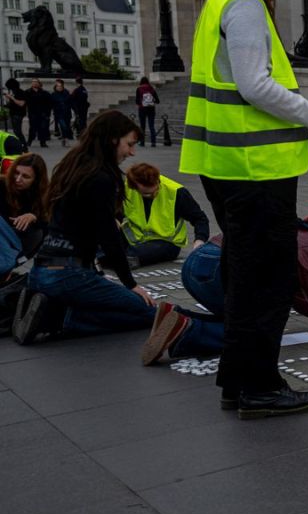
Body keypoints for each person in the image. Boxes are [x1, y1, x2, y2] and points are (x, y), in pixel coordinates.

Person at [179, 0, 308, 418]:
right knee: (268, 281)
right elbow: (257, 86)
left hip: (226, 164)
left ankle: (239, 379)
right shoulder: (247, 5)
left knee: (243, 274)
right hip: (256, 170)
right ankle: (259, 386)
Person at [147, 214, 308, 387]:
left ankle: (178, 318)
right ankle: (189, 330)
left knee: (241, 319)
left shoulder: (296, 234)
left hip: (198, 264)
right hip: (216, 266)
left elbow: (301, 298)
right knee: (257, 333)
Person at [12, 111, 158, 344]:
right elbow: (109, 237)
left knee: (112, 302)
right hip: (70, 275)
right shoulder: (101, 178)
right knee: (149, 311)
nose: (132, 152)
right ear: (112, 139)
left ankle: (52, 307)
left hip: (41, 271)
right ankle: (57, 318)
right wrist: (131, 284)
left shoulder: (73, 166)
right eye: (129, 144)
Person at [122, 163, 210, 268]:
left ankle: (120, 257)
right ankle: (117, 256)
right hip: (135, 239)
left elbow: (200, 219)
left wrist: (199, 242)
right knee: (104, 243)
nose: (151, 195)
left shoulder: (176, 192)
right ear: (134, 187)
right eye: (145, 193)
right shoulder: (126, 188)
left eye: (154, 190)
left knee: (129, 254)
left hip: (166, 243)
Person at [0, 153, 49, 274]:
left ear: (36, 180)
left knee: (38, 232)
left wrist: (34, 217)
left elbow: (52, 225)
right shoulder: (2, 184)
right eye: (16, 173)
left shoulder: (43, 196)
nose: (18, 179)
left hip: (16, 242)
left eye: (25, 177)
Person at [24, 78, 52, 149]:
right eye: (33, 82)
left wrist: (47, 113)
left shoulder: (44, 93)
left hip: (42, 113)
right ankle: (29, 141)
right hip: (32, 113)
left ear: (39, 84)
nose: (34, 83)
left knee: (42, 128)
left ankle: (43, 142)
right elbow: (24, 102)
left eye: (36, 82)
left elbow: (49, 103)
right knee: (32, 128)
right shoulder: (28, 92)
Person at [135, 76, 161, 147]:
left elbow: (137, 101)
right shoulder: (151, 88)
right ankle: (153, 142)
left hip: (142, 109)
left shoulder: (139, 89)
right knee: (151, 126)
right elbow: (158, 101)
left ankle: (142, 142)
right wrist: (151, 102)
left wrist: (142, 103)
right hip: (151, 109)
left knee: (142, 126)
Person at [2, 79, 27, 147]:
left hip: (18, 114)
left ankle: (23, 144)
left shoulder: (20, 92)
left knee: (18, 131)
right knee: (16, 131)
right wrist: (7, 99)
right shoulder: (13, 92)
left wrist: (12, 98)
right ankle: (21, 144)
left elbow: (21, 104)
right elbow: (11, 104)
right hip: (13, 113)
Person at [50, 79, 74, 146]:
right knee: (64, 126)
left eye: (60, 86)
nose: (59, 87)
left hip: (67, 113)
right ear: (56, 87)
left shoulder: (66, 93)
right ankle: (66, 140)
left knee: (67, 126)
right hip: (59, 114)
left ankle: (64, 138)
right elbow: (52, 104)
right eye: (58, 86)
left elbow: (70, 102)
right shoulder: (53, 94)